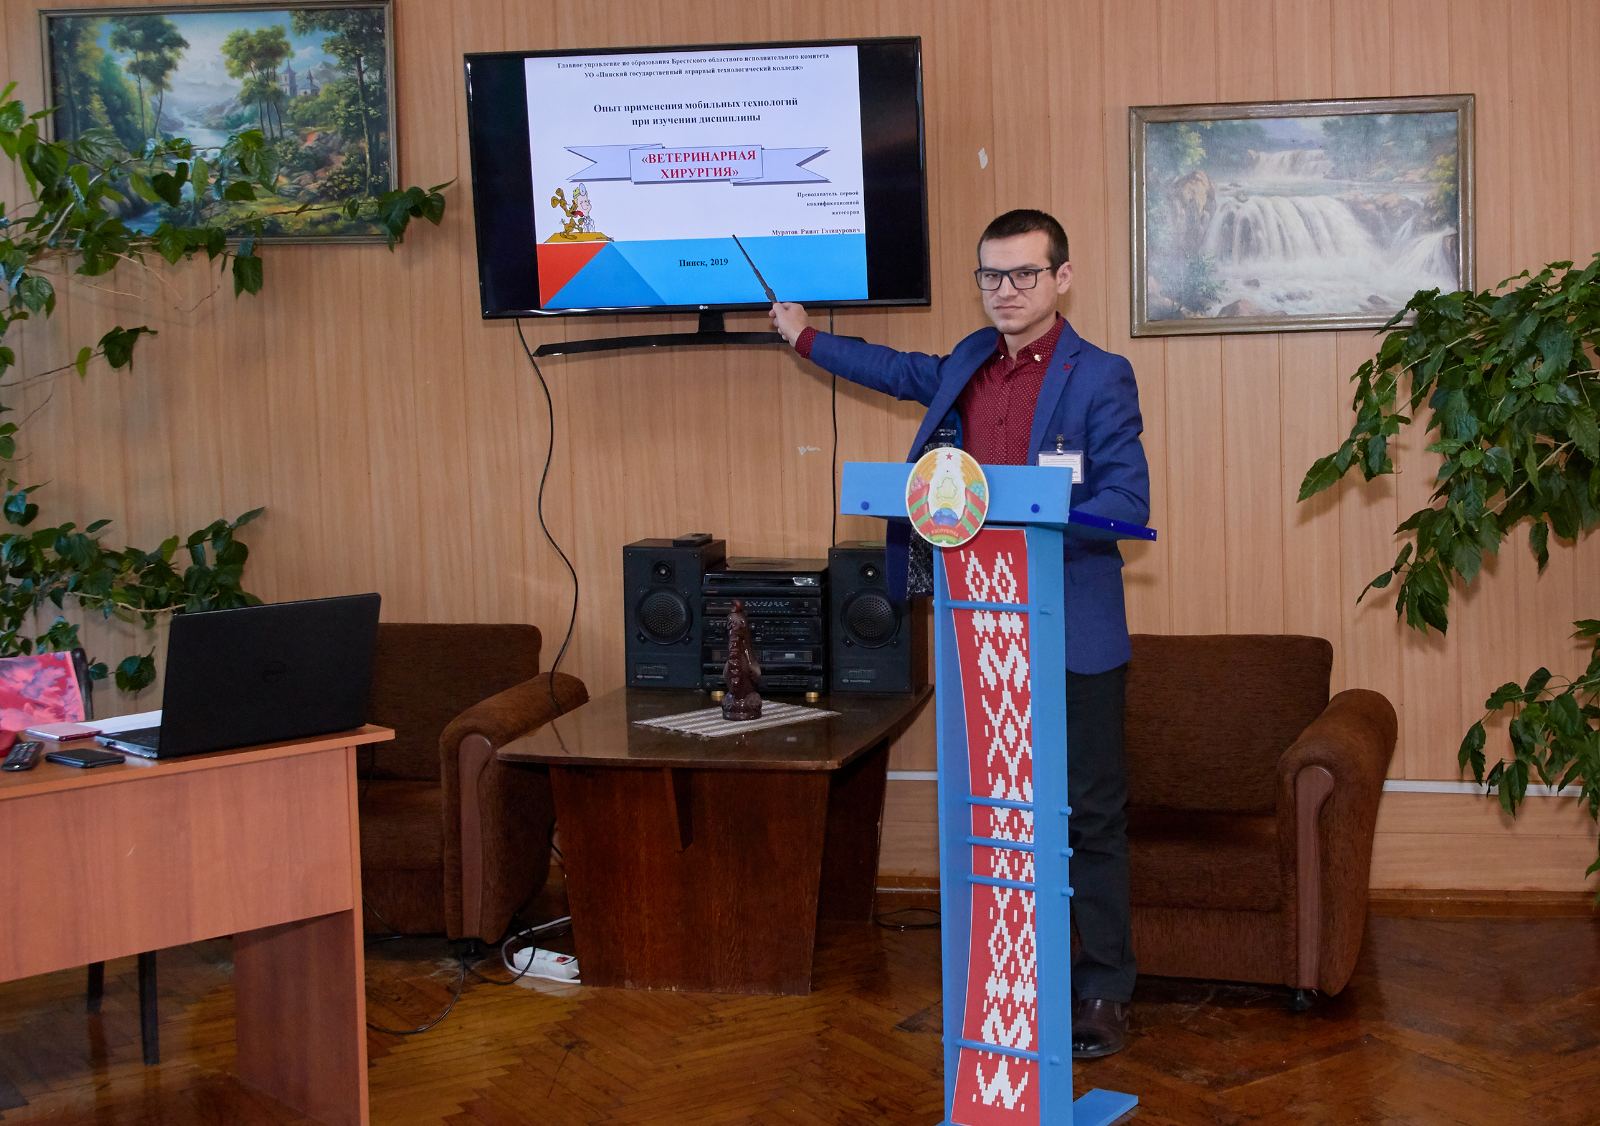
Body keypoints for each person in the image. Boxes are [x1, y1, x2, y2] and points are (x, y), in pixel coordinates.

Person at [770, 208, 1150, 1058]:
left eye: (1023, 274)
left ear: (1061, 278)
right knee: (999, 817)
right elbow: (894, 368)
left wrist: (1034, 510)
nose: (1005, 291)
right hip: (981, 631)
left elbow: (1128, 501)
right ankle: (1013, 981)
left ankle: (1105, 991)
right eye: (991, 276)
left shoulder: (1101, 375)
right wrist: (805, 337)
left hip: (1074, 634)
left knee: (1090, 818)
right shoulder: (971, 360)